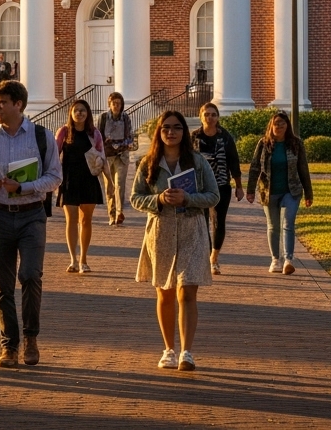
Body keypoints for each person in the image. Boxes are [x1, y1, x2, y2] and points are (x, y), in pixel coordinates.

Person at [0, 80, 62, 368]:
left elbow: (55, 178)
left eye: (1, 103)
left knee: (31, 275)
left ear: (18, 105)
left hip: (32, 214)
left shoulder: (41, 136)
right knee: (2, 285)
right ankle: (9, 345)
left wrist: (24, 187)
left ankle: (31, 337)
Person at [131, 110, 219, 371]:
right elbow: (136, 198)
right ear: (159, 132)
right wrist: (157, 199)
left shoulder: (198, 162)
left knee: (188, 291)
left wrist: (188, 199)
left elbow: (213, 196)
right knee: (165, 293)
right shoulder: (148, 163)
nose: (171, 132)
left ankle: (186, 352)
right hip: (161, 231)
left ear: (184, 132)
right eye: (166, 128)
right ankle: (168, 349)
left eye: (177, 127)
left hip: (193, 230)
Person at [246, 111, 313, 275]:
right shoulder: (264, 144)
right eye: (276, 124)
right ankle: (275, 259)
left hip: (292, 190)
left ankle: (288, 259)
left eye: (283, 124)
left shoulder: (296, 144)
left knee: (288, 224)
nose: (279, 127)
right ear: (271, 126)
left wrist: (309, 193)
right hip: (269, 191)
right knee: (273, 226)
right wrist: (250, 190)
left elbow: (303, 169)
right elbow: (255, 167)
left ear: (287, 126)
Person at [192, 102, 243, 274]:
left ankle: (214, 257)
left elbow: (233, 161)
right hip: (199, 187)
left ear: (218, 117)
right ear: (201, 116)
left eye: (213, 114)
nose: (210, 117)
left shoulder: (225, 137)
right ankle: (206, 256)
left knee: (219, 222)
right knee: (202, 222)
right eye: (206, 114)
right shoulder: (194, 137)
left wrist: (239, 186)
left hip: (221, 185)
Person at [56, 99, 104, 273]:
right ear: (71, 113)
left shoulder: (94, 133)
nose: (79, 113)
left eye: (83, 110)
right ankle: (73, 260)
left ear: (88, 113)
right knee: (71, 219)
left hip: (88, 179)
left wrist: (110, 184)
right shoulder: (64, 132)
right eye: (76, 110)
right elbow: (54, 156)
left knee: (86, 220)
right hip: (69, 179)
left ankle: (84, 259)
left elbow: (101, 157)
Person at [97, 92, 136, 225]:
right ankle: (111, 214)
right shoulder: (103, 117)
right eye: (114, 103)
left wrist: (127, 144)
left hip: (122, 155)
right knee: (110, 185)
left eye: (119, 103)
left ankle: (120, 212)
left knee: (120, 184)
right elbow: (98, 136)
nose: (116, 106)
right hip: (108, 155)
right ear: (110, 104)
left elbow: (130, 134)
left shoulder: (125, 118)